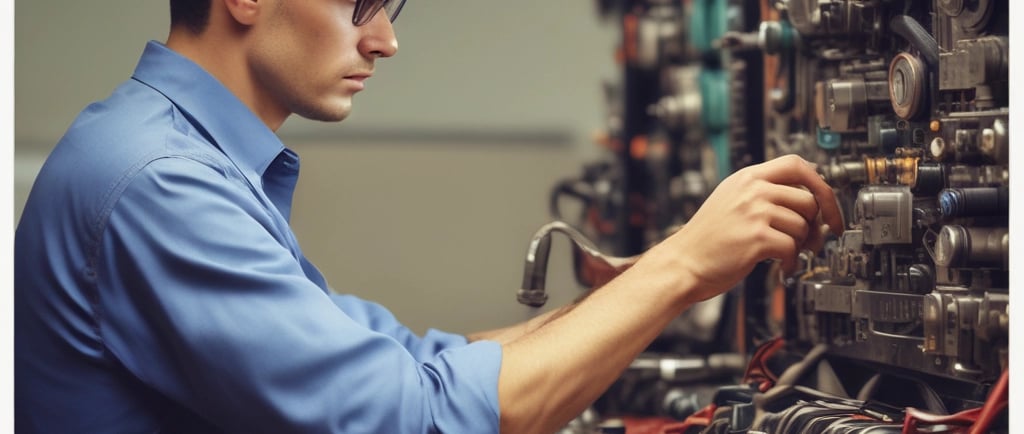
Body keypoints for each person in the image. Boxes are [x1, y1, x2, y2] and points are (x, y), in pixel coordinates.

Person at [14, 0, 843, 433]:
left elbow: (410, 363)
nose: (384, 41)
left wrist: (660, 274)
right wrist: (683, 268)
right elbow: (417, 420)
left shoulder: (171, 154)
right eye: (360, 2)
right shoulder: (161, 185)